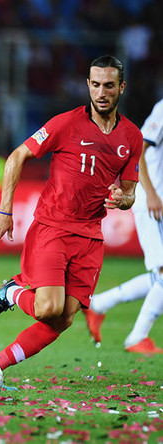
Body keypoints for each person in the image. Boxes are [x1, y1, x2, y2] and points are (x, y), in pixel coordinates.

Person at [0, 55, 142, 372]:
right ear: (88, 85)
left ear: (122, 87)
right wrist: (4, 211)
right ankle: (12, 293)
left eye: (109, 85)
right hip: (53, 227)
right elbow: (17, 157)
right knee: (48, 308)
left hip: (90, 236)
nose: (101, 92)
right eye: (95, 85)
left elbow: (129, 193)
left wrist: (124, 199)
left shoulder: (132, 137)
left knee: (63, 318)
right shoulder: (65, 123)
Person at [83, 98, 163, 354]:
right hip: (153, 202)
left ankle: (100, 304)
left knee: (159, 275)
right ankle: (137, 337)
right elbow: (141, 149)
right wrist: (150, 194)